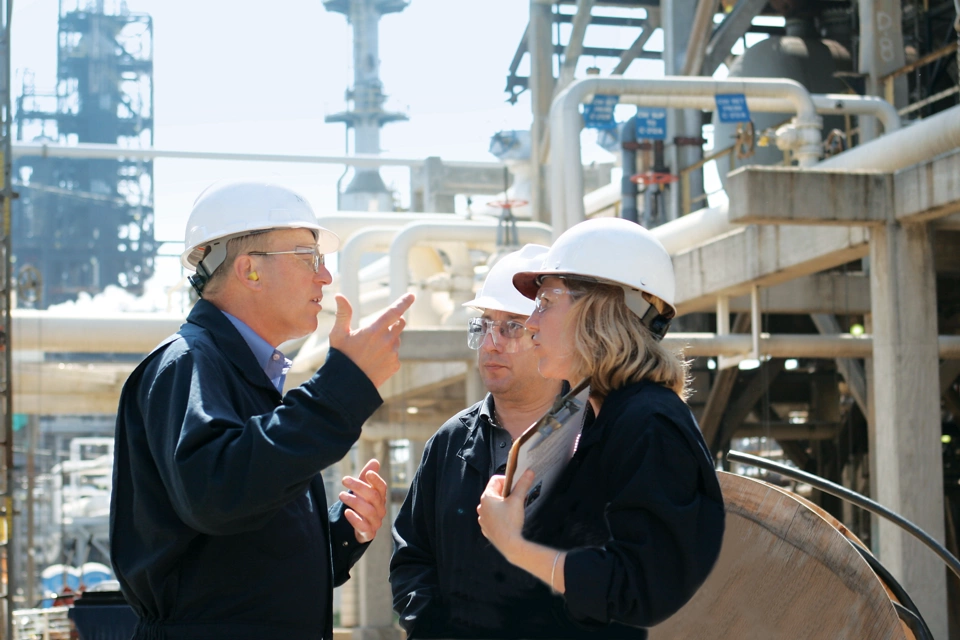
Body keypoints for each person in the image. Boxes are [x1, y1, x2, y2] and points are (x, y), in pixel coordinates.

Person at [110, 180, 414, 640]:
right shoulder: (189, 363)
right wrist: (344, 384)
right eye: (307, 258)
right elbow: (217, 493)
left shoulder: (240, 373)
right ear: (249, 270)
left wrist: (340, 533)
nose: (325, 277)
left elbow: (243, 566)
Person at [477, 217, 725, 638]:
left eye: (546, 302)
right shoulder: (601, 416)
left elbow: (642, 589)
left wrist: (514, 546)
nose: (532, 322)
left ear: (599, 312)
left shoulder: (648, 424)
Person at [390, 244, 570, 638]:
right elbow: (412, 559)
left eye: (511, 327)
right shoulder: (450, 442)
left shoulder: (594, 439)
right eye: (485, 325)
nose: (491, 343)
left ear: (552, 332)